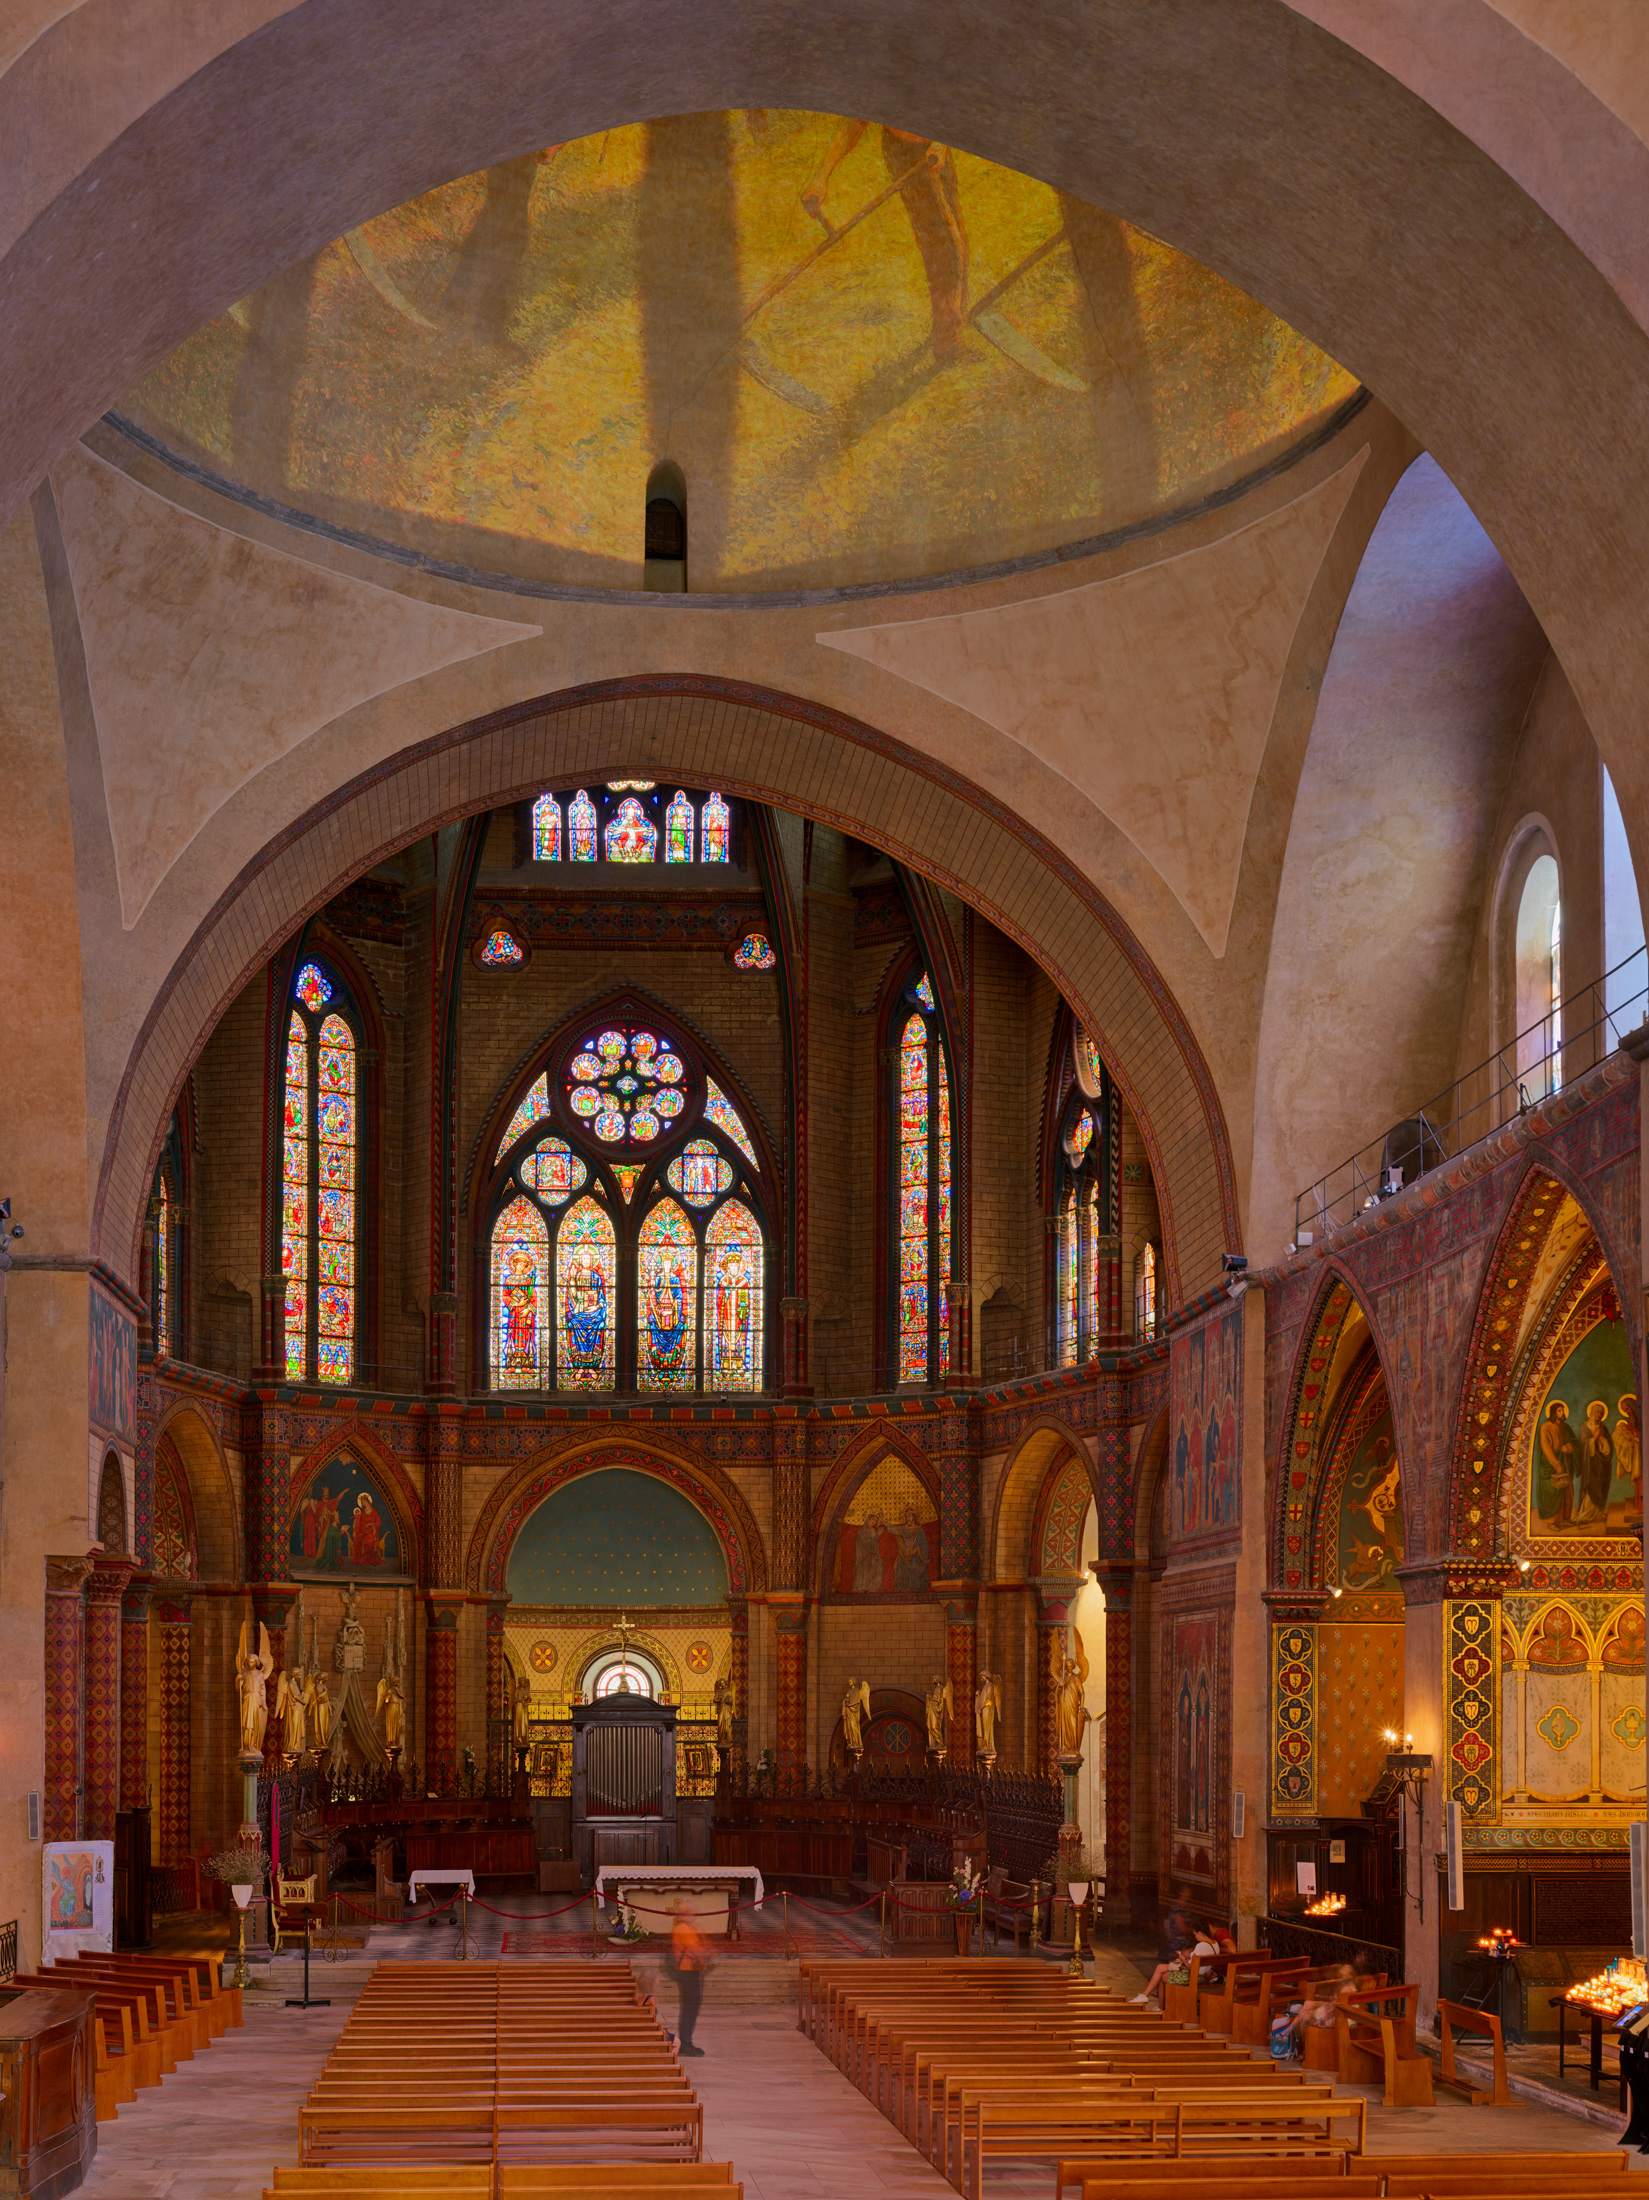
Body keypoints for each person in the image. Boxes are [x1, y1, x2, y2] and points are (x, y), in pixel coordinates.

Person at [669, 1914, 707, 2056]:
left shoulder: (692, 1927)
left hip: (693, 1972)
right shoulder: (683, 1929)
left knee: (692, 2008)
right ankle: (685, 2043)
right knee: (689, 2008)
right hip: (687, 1973)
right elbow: (693, 1950)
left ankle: (686, 2041)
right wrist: (708, 1952)